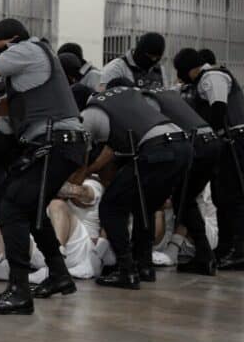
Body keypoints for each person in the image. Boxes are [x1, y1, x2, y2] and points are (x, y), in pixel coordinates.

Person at [0, 19, 87, 314]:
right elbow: (13, 106)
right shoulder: (30, 69)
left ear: (11, 40)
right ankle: (59, 275)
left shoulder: (27, 49)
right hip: (59, 142)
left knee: (13, 206)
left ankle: (18, 291)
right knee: (29, 210)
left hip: (54, 141)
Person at [82, 79, 193, 289]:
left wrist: (85, 173)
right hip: (182, 145)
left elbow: (81, 158)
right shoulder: (131, 97)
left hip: (157, 149)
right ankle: (144, 266)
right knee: (146, 206)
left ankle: (126, 269)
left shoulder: (90, 112)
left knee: (111, 207)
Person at [173, 49, 244, 271]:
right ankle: (224, 247)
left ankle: (238, 253)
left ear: (191, 69)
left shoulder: (212, 77)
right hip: (227, 143)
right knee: (222, 197)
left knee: (234, 197)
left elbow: (218, 109)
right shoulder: (203, 80)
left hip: (236, 142)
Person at [141, 85, 223, 275]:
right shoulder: (169, 93)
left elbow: (151, 129)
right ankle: (205, 256)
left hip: (195, 145)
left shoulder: (146, 99)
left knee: (183, 199)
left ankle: (200, 255)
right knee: (185, 200)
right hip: (210, 141)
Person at [99, 32, 166, 90]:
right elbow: (102, 96)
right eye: (150, 56)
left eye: (157, 57)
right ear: (139, 50)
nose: (153, 60)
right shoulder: (116, 68)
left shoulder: (159, 70)